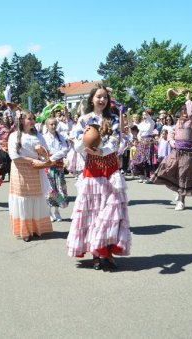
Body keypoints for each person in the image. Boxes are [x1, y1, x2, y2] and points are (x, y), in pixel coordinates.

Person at [67, 85, 131, 270]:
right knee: (93, 212)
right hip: (93, 170)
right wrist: (86, 146)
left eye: (105, 97)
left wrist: (101, 150)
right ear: (91, 99)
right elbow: (78, 143)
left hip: (110, 169)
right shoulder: (83, 120)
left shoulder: (112, 119)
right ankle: (96, 253)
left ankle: (107, 250)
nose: (102, 100)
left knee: (112, 213)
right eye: (98, 97)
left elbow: (116, 141)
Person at [151, 92, 192, 211]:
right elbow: (171, 133)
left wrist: (188, 99)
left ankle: (181, 200)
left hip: (189, 153)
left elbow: (191, 113)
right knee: (167, 167)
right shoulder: (179, 121)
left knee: (183, 175)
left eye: (186, 108)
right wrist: (171, 142)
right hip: (176, 150)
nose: (184, 111)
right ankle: (179, 190)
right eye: (182, 109)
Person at [7, 112, 53, 241]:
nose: (32, 121)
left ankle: (36, 228)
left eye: (33, 118)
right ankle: (25, 231)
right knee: (23, 199)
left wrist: (42, 152)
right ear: (21, 121)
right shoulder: (14, 136)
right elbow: (14, 156)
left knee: (35, 198)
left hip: (35, 171)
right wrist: (33, 161)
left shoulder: (38, 136)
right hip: (20, 171)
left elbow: (47, 154)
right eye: (29, 119)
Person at [42, 117, 69, 221]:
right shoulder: (43, 137)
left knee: (59, 188)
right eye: (51, 124)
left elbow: (65, 149)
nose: (53, 126)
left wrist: (53, 157)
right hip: (48, 167)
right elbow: (43, 150)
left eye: (54, 124)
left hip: (58, 166)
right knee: (50, 189)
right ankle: (49, 212)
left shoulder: (60, 137)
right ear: (46, 126)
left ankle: (57, 212)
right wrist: (48, 158)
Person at [132, 110, 156, 183]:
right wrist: (139, 138)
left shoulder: (151, 123)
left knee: (147, 160)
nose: (144, 116)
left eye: (145, 115)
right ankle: (141, 176)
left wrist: (147, 113)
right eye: (143, 115)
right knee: (139, 159)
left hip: (148, 142)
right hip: (142, 142)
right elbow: (139, 133)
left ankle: (148, 177)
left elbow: (149, 118)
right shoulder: (141, 124)